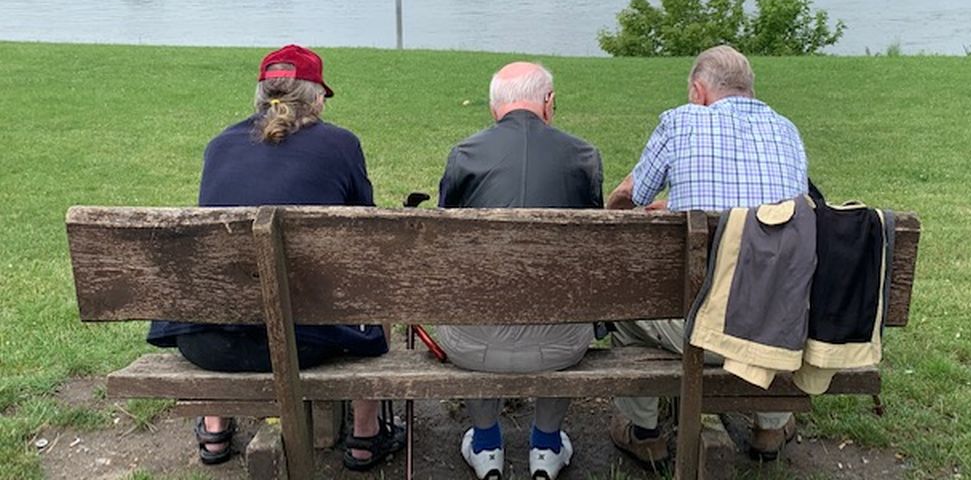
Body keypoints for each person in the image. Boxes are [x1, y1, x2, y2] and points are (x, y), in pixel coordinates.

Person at [146, 44, 405, 471]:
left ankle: (214, 428)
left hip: (209, 343)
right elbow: (365, 234)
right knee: (371, 273)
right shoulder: (341, 145)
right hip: (306, 344)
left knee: (224, 277)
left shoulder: (219, 146)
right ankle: (365, 433)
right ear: (315, 98)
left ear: (260, 96)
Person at [605, 44, 808, 470]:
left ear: (698, 91)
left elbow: (632, 194)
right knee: (772, 287)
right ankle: (771, 426)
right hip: (774, 324)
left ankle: (644, 432)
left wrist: (617, 209)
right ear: (748, 89)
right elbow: (776, 216)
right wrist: (679, 206)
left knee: (626, 305)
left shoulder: (680, 121)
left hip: (699, 330)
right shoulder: (787, 130)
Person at [435, 61, 603, 480]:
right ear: (549, 102)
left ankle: (486, 444)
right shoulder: (584, 157)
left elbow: (444, 247)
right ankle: (546, 445)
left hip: (473, 345)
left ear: (495, 108)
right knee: (564, 296)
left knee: (471, 299)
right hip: (562, 343)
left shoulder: (464, 155)